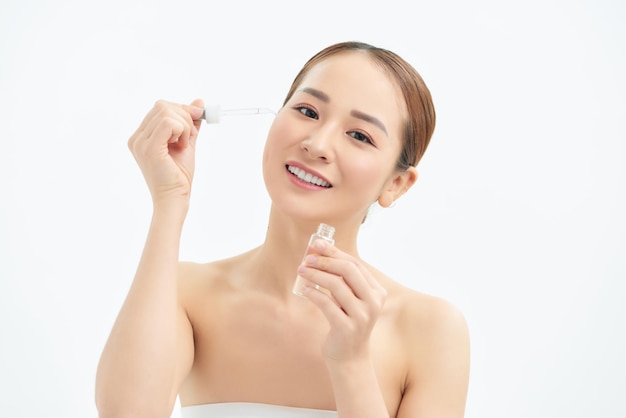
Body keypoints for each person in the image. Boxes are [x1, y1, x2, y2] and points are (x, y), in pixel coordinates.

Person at [95, 41, 470, 418]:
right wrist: (169, 200)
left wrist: (351, 363)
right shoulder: (186, 295)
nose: (317, 144)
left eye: (360, 136)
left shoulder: (431, 331)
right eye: (307, 111)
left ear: (397, 185)